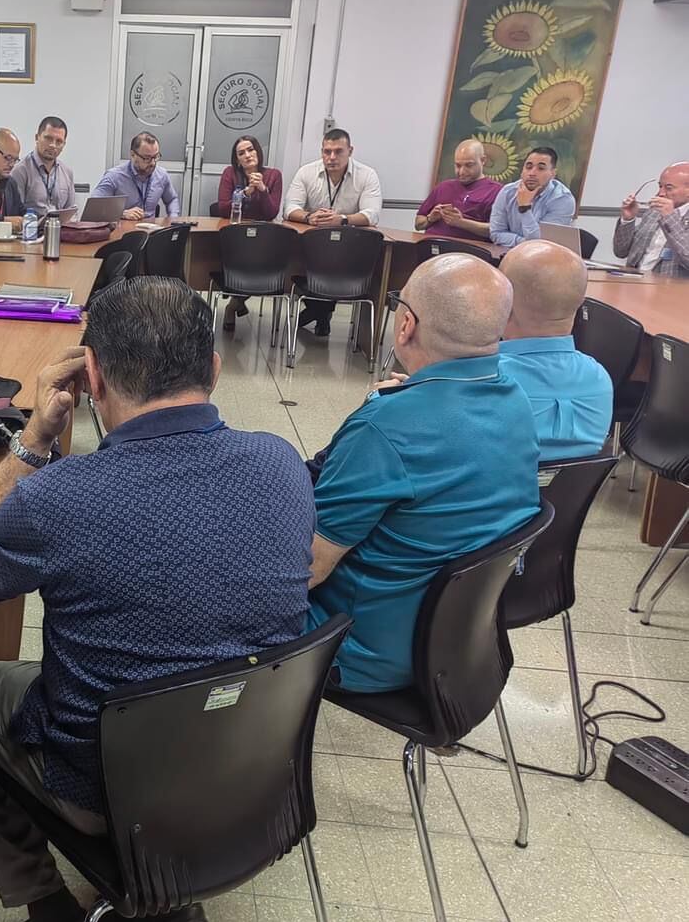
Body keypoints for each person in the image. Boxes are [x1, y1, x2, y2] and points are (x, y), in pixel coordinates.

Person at [0, 276, 315, 922]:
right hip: (254, 772)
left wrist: (33, 438)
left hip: (107, 790)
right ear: (213, 368)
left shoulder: (63, 495)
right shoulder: (281, 465)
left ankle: (42, 898)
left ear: (91, 375)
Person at [307, 254, 540, 692]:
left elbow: (308, 568)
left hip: (355, 651)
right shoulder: (519, 403)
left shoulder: (385, 429)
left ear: (407, 324)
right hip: (460, 650)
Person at [497, 240, 612, 459]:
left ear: (504, 304)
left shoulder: (482, 379)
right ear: (579, 304)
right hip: (570, 493)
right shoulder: (599, 377)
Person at [284, 128, 383, 335]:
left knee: (336, 268)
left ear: (350, 150)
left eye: (338, 151)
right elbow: (290, 207)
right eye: (326, 151)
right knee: (313, 266)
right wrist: (309, 217)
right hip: (312, 247)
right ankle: (321, 312)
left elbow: (372, 214)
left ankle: (317, 311)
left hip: (349, 250)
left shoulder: (367, 175)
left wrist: (343, 220)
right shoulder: (306, 172)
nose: (331, 157)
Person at [217, 134, 284, 329]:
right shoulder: (230, 173)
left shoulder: (273, 175)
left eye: (251, 150)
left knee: (259, 263)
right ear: (236, 159)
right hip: (236, 236)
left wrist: (262, 189)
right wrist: (246, 193)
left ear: (258, 152)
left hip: (263, 237)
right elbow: (222, 208)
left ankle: (234, 304)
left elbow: (272, 212)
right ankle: (236, 301)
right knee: (239, 259)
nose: (247, 155)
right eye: (241, 153)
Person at [415, 139, 502, 240]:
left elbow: (497, 230)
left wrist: (461, 222)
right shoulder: (443, 187)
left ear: (483, 161)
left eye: (469, 165)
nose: (462, 171)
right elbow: (418, 224)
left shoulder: (497, 191)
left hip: (468, 252)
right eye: (458, 165)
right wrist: (430, 218)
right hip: (432, 247)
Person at [489, 146, 576, 248]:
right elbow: (496, 233)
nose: (532, 173)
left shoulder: (562, 199)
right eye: (528, 167)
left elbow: (540, 246)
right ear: (522, 171)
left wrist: (524, 208)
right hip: (508, 254)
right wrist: (523, 242)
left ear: (553, 174)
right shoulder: (507, 192)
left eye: (541, 168)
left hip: (545, 259)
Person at [614, 161, 689, 276]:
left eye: (669, 188)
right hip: (634, 280)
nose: (660, 193)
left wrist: (669, 217)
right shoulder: (653, 212)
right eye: (660, 186)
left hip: (671, 288)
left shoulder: (665, 212)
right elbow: (620, 252)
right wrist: (628, 220)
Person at [91, 132, 181, 220]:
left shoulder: (162, 175)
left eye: (156, 157)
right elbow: (94, 207)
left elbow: (172, 199)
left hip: (151, 232)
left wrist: (173, 219)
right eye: (147, 158)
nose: (153, 163)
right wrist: (121, 213)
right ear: (133, 155)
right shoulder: (114, 176)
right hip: (122, 232)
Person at [9, 116, 77, 215]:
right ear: (37, 137)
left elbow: (70, 212)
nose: (53, 145)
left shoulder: (67, 172)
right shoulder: (20, 170)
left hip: (60, 228)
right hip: (32, 228)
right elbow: (15, 213)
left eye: (59, 141)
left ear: (64, 144)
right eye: (48, 138)